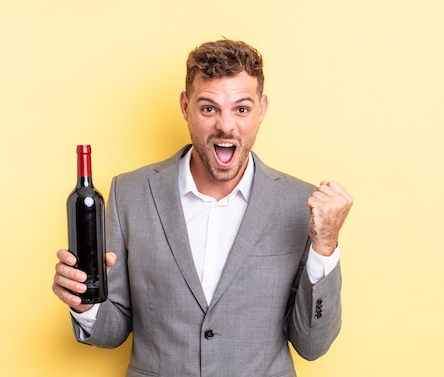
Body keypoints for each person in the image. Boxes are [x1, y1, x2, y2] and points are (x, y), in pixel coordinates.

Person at [52, 39, 353, 377]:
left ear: (262, 109)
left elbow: (312, 345)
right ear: (185, 106)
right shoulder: (129, 193)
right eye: (209, 108)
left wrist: (325, 246)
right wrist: (85, 303)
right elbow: (113, 329)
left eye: (241, 109)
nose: (225, 126)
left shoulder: (300, 203)